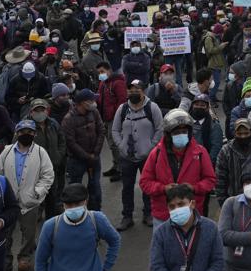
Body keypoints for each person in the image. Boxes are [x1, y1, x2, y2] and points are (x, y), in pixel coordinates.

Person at [35, 183, 121, 271]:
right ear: (63, 205)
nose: (73, 208)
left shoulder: (97, 220)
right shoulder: (51, 226)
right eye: (69, 205)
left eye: (77, 204)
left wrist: (106, 270)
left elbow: (115, 240)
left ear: (86, 201)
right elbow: (40, 260)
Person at [148, 183, 225, 271]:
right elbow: (156, 268)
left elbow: (218, 263)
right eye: (172, 206)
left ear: (192, 204)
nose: (176, 209)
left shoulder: (210, 228)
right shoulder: (161, 233)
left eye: (181, 204)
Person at [0, 118, 55, 271]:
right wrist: (1, 193)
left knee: (28, 233)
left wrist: (38, 192)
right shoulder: (7, 150)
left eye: (29, 132)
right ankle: (6, 259)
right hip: (8, 202)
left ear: (34, 134)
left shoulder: (41, 152)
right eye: (22, 132)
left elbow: (48, 175)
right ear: (17, 133)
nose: (25, 134)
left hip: (30, 201)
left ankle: (24, 257)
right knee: (6, 233)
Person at [140, 109, 217, 227]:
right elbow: (145, 182)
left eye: (184, 131)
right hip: (163, 216)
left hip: (192, 215)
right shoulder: (156, 154)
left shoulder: (201, 153)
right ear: (168, 134)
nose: (181, 135)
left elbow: (210, 180)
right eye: (176, 132)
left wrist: (194, 188)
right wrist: (163, 189)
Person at [112, 79, 164, 230]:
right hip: (127, 156)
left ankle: (148, 213)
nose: (133, 92)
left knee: (148, 186)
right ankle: (127, 216)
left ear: (143, 91)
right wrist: (121, 145)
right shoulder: (122, 109)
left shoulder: (152, 108)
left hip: (147, 156)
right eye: (131, 89)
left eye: (137, 89)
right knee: (127, 187)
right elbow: (115, 130)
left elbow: (160, 129)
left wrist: (152, 147)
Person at [62, 89, 104, 210]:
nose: (94, 103)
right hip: (76, 161)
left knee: (95, 187)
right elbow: (70, 143)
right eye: (91, 100)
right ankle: (76, 214)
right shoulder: (68, 119)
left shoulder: (94, 112)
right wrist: (87, 156)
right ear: (82, 103)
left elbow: (101, 131)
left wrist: (95, 152)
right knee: (75, 190)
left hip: (94, 158)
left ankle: (96, 212)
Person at [215, 118, 251, 206]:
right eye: (239, 133)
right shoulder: (226, 151)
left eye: (246, 133)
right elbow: (220, 179)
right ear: (234, 133)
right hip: (234, 201)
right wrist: (223, 202)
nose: (243, 136)